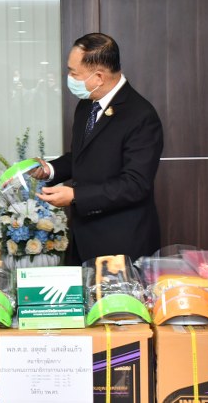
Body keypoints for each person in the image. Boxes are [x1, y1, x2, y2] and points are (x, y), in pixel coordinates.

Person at [31, 32, 164, 265]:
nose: (69, 78)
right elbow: (81, 156)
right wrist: (49, 170)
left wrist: (76, 196)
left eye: (74, 73)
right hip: (84, 237)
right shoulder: (86, 105)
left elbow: (135, 184)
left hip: (121, 243)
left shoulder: (141, 115)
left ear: (99, 77)